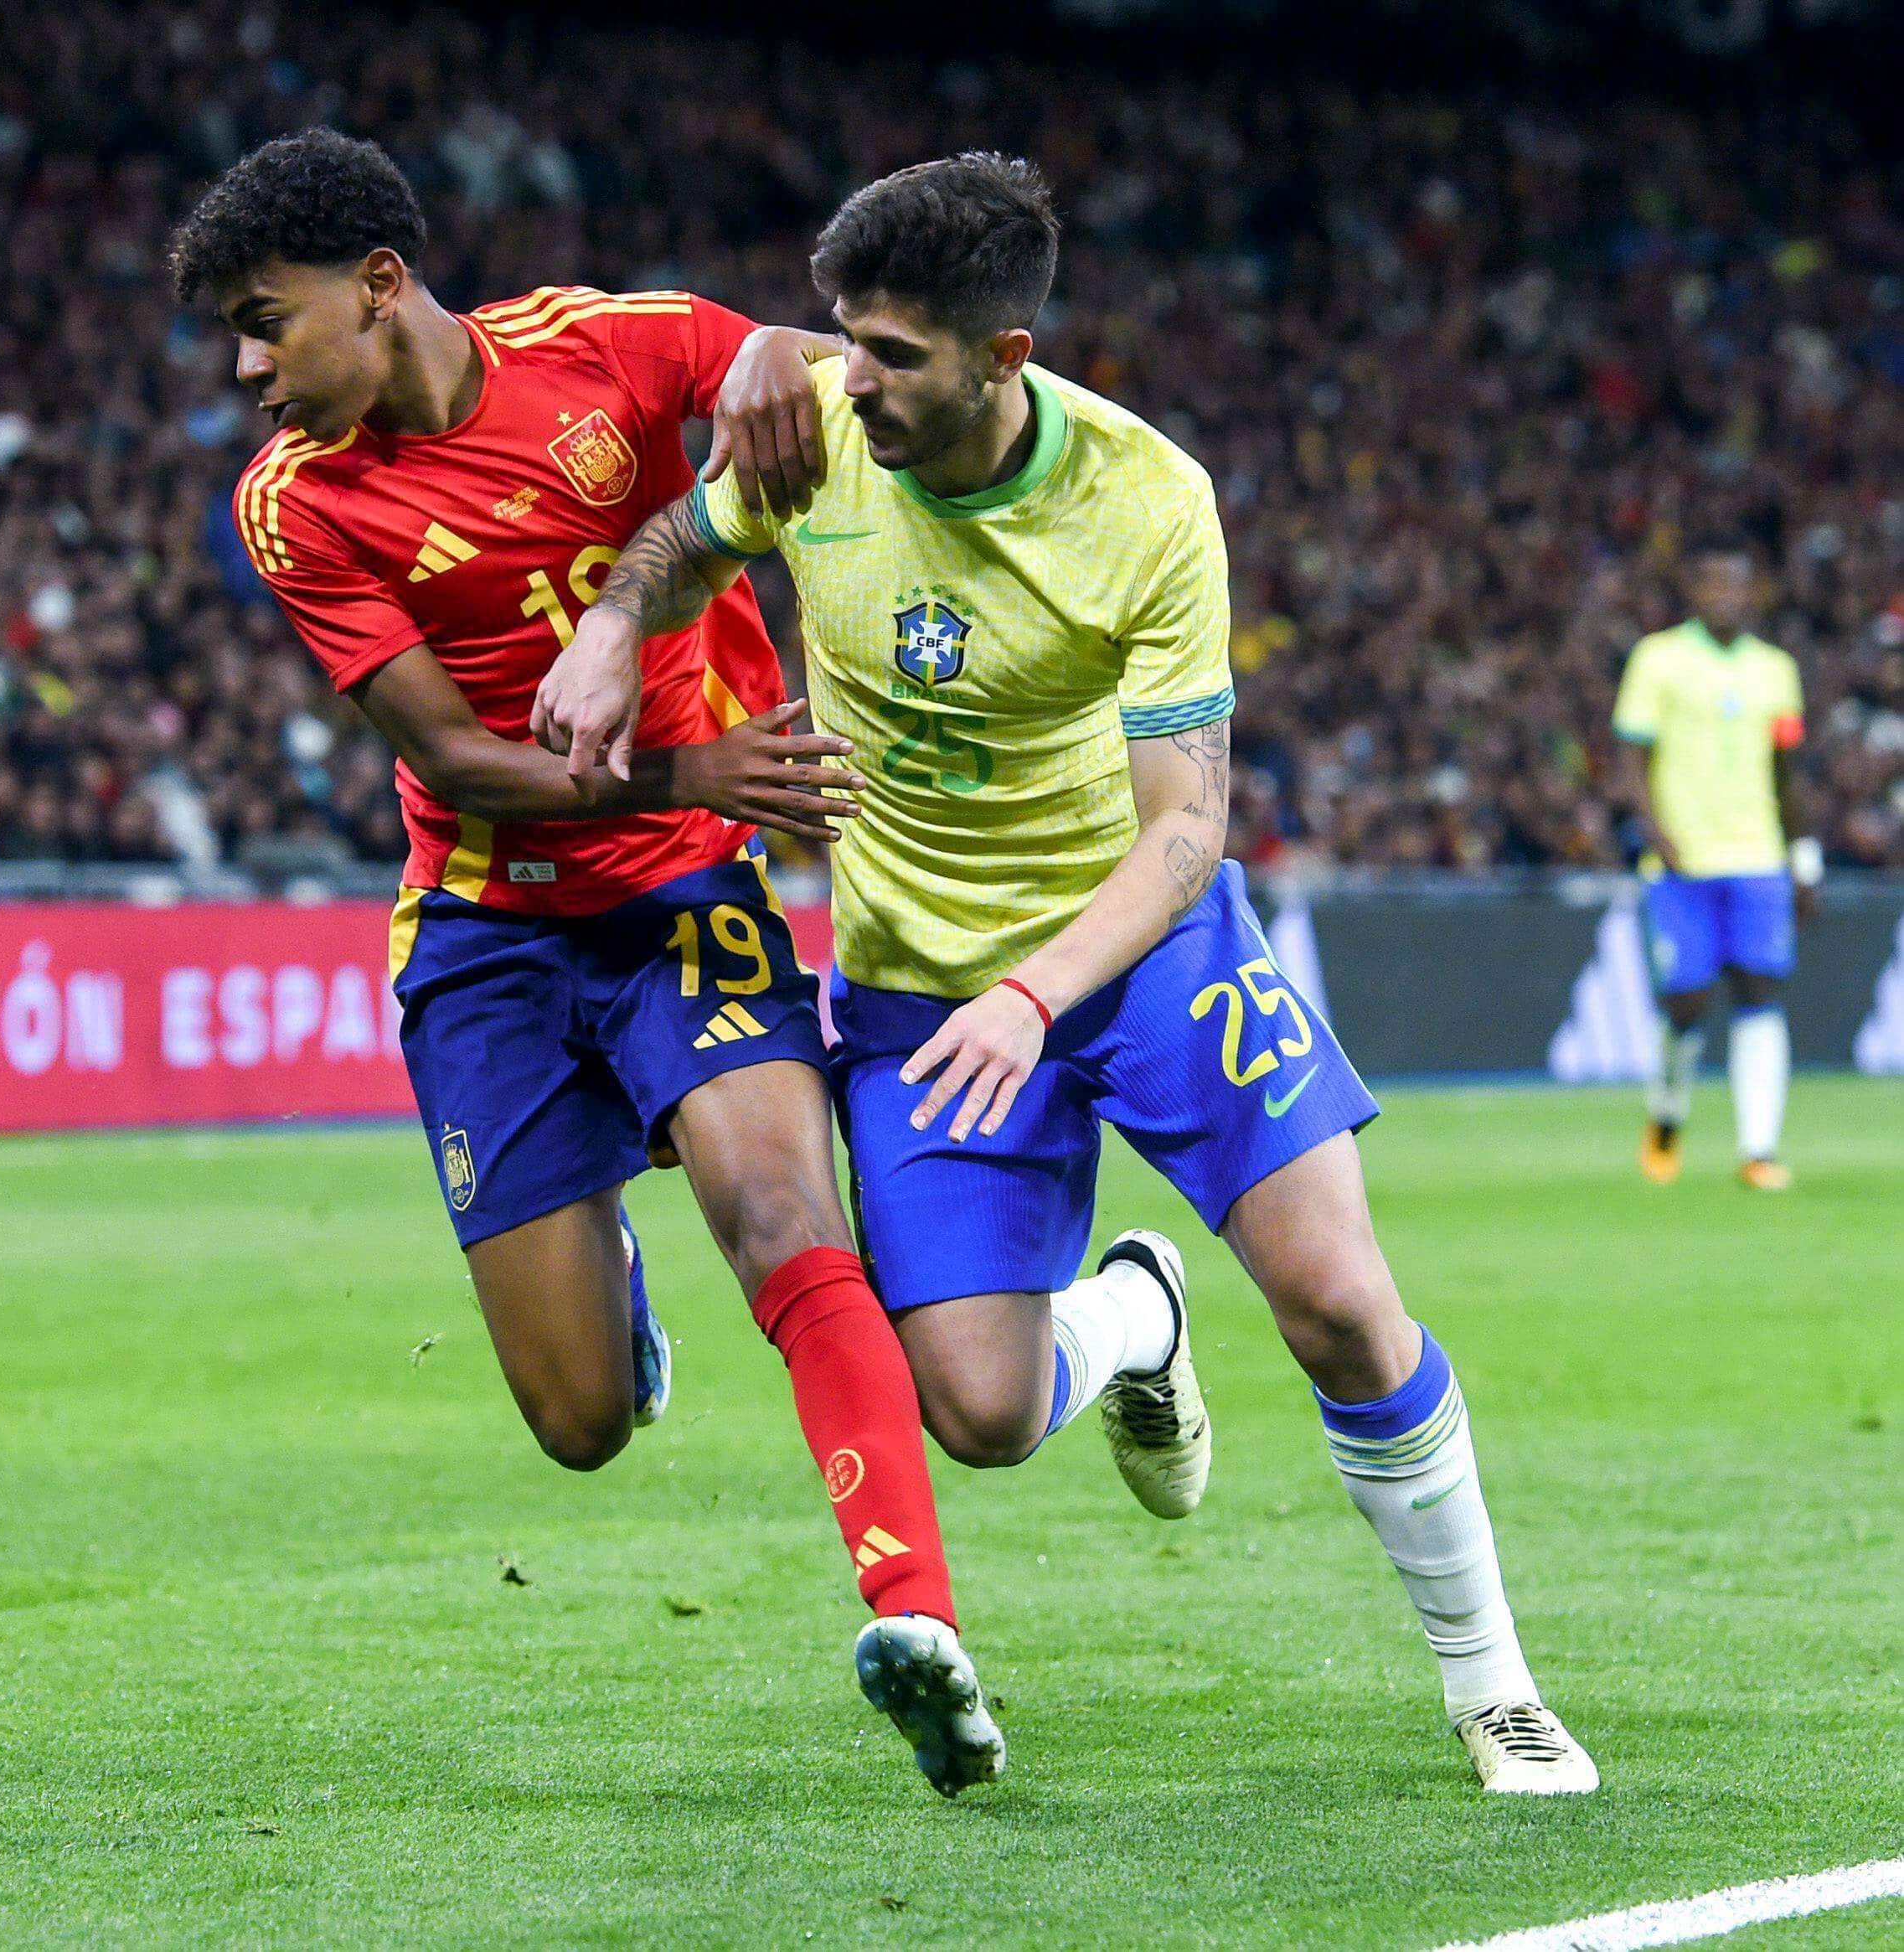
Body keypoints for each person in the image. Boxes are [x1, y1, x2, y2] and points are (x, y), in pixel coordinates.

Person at [537, 152, 1597, 1795]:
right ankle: (1135, 1314)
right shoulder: (809, 432)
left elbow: (1186, 830)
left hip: (1136, 953)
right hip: (911, 997)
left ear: (1003, 360)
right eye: (839, 337)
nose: (848, 379)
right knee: (975, 1407)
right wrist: (613, 626)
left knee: (1334, 1301)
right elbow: (682, 540)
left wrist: (1036, 992)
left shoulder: (1144, 497)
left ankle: (1492, 1683)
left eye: (890, 353)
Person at [168, 130, 999, 1794]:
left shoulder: (590, 349)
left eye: (267, 323)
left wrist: (772, 358)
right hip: (488, 930)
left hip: (683, 894)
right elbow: (462, 765)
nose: (250, 374)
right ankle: (615, 1305)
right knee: (578, 1426)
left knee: (779, 1216)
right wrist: (700, 767)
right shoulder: (292, 505)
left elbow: (760, 355)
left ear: (380, 286)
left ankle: (919, 1621)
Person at [1612, 542, 1818, 1190]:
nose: (1725, 595)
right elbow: (1631, 756)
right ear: (1694, 591)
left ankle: (1760, 1149)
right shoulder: (1659, 659)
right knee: (1687, 1000)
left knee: (1759, 992)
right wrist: (1653, 828)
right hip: (1683, 859)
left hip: (1757, 856)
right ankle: (1668, 1116)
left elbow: (1787, 773)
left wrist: (1801, 857)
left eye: (1736, 584)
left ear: (1752, 591)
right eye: (1713, 584)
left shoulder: (1775, 671)